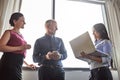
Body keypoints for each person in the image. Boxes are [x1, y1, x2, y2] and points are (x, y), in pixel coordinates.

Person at [0, 12, 36, 80]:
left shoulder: (21, 35)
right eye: (22, 20)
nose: (24, 23)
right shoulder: (8, 32)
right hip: (9, 64)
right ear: (15, 21)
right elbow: (1, 47)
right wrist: (21, 47)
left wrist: (27, 64)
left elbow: (19, 54)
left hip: (17, 65)